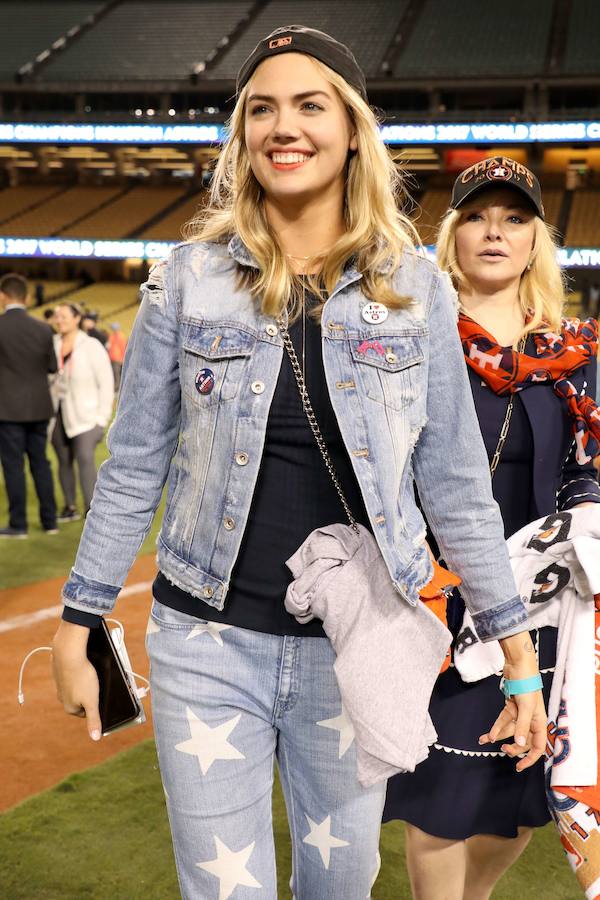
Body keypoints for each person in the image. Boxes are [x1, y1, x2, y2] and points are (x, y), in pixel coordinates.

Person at [51, 30, 546, 900]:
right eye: (262, 108)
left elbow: (457, 483)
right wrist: (79, 618)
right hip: (205, 640)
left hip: (353, 649)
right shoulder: (186, 279)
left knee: (338, 886)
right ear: (243, 134)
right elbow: (132, 469)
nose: (285, 126)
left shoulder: (416, 289)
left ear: (353, 128)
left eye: (311, 105)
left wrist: (518, 659)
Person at [384, 157, 600, 900]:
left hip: (537, 604)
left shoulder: (574, 354)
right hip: (437, 598)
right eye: (477, 216)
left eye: (513, 220)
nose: (494, 232)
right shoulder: (415, 337)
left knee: (514, 807)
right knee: (440, 795)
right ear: (452, 234)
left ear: (538, 240)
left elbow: (585, 468)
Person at [0, 273, 58, 537]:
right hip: (39, 406)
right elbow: (52, 367)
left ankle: (18, 524)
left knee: (14, 466)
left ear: (3, 296)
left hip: (8, 409)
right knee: (41, 463)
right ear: (27, 297)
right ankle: (50, 522)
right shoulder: (43, 328)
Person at [50, 303, 114, 522]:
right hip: (58, 412)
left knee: (85, 459)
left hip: (86, 415)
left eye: (64, 316)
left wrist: (102, 418)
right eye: (57, 316)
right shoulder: (54, 343)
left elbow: (106, 382)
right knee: (63, 459)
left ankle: (92, 509)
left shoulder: (91, 345)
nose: (59, 320)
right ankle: (69, 507)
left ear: (77, 318)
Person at [106, 322, 127, 391]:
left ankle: (117, 388)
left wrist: (123, 358)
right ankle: (116, 387)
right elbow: (109, 346)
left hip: (117, 359)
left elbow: (123, 348)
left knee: (116, 373)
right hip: (113, 358)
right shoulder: (112, 336)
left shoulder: (120, 336)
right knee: (115, 373)